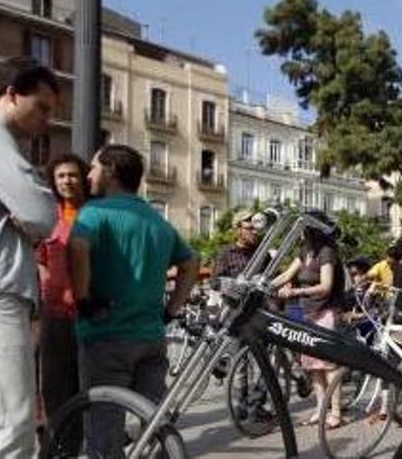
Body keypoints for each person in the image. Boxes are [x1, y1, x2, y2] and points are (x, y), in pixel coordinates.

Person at [69, 144, 200, 456]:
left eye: (94, 168)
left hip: (106, 336)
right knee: (155, 420)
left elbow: (76, 248)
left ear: (111, 171)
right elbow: (192, 262)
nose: (89, 175)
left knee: (104, 427)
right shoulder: (158, 222)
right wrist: (171, 310)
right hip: (151, 337)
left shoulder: (95, 212)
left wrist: (85, 301)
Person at [0, 56, 58, 457]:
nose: (47, 120)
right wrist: (39, 201)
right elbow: (41, 213)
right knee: (10, 427)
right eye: (42, 107)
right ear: (10, 94)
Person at [271, 212, 346, 429]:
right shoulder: (305, 251)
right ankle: (320, 409)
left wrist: (296, 292)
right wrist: (264, 284)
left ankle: (336, 413)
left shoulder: (326, 252)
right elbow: (286, 275)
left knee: (329, 365)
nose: (300, 231)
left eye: (303, 227)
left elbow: (326, 286)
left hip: (326, 312)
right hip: (308, 313)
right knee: (313, 366)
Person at [35, 153, 89, 450]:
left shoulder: (94, 213)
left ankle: (87, 441)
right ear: (54, 182)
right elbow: (41, 257)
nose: (67, 180)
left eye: (72, 175)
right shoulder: (49, 215)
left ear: (83, 178)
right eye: (61, 176)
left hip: (88, 311)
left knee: (86, 381)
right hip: (55, 312)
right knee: (55, 384)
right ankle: (63, 447)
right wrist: (47, 289)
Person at [212, 209, 264, 278]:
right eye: (250, 228)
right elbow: (217, 282)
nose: (255, 232)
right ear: (238, 230)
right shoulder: (225, 254)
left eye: (255, 228)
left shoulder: (261, 253)